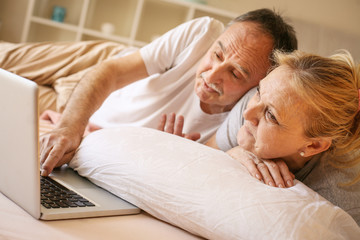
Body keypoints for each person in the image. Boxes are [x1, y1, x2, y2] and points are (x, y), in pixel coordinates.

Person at [16, 8, 296, 176]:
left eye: (235, 73)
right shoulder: (202, 32)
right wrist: (69, 126)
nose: (210, 75)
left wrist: (165, 151)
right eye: (217, 54)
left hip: (87, 122)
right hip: (90, 84)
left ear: (261, 84)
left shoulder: (242, 122)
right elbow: (110, 72)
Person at [211, 50, 360, 225]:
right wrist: (233, 155)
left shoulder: (339, 199)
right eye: (259, 91)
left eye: (271, 116)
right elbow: (204, 153)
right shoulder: (254, 105)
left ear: (313, 146)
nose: (247, 113)